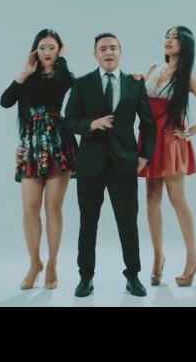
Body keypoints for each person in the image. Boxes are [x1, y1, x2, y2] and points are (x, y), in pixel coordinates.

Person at [64, 32, 157, 298]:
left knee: (128, 223)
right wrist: (92, 124)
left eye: (113, 48)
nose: (109, 52)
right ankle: (85, 278)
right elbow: (69, 121)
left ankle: (133, 276)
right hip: (90, 165)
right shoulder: (82, 84)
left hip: (124, 164)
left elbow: (148, 125)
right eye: (103, 48)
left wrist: (143, 157)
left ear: (120, 52)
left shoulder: (134, 84)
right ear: (95, 55)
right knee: (88, 223)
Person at [130, 26, 196, 287]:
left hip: (171, 141)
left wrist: (188, 133)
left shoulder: (187, 78)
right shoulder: (153, 68)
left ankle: (193, 258)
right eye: (167, 36)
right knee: (151, 200)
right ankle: (158, 257)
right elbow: (140, 100)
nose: (169, 41)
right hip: (149, 138)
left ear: (185, 45)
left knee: (177, 199)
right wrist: (136, 79)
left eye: (175, 38)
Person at [0, 28, 78, 291]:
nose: (47, 52)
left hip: (57, 142)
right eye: (42, 47)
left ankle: (53, 263)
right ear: (35, 50)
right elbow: (5, 101)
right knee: (29, 209)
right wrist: (24, 72)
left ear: (59, 50)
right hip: (31, 146)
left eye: (52, 48)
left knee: (53, 208)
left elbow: (66, 83)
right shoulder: (28, 78)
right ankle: (35, 263)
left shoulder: (63, 75)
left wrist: (62, 58)